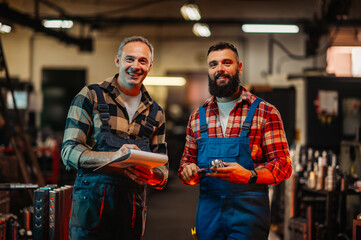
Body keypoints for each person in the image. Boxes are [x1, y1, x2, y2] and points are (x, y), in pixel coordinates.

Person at [178, 42, 292, 240]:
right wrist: (188, 172)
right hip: (208, 216)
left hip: (249, 218)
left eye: (226, 62)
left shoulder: (266, 113)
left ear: (239, 67)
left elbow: (283, 166)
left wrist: (249, 175)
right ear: (208, 70)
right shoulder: (197, 117)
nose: (219, 69)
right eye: (213, 64)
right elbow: (185, 166)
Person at [61, 36, 168, 240]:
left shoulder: (156, 112)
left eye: (142, 61)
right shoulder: (90, 96)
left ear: (150, 66)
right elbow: (69, 152)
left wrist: (152, 176)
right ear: (118, 61)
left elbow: (163, 170)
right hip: (90, 209)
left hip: (131, 211)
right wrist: (114, 158)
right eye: (129, 59)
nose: (135, 66)